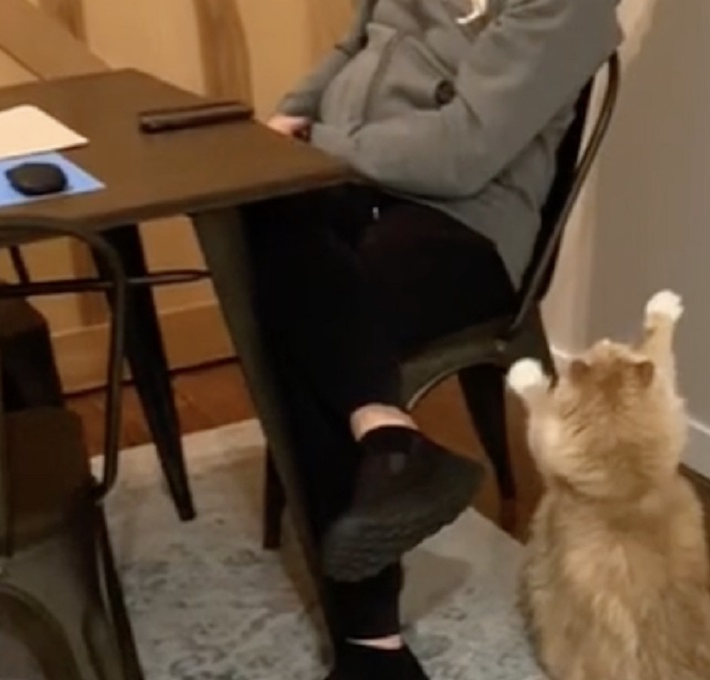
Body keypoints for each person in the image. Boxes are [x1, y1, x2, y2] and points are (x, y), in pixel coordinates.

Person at [246, 0, 621, 678]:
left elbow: (464, 153)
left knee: (322, 311)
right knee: (265, 227)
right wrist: (275, 133)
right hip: (353, 179)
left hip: (465, 223)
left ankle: (372, 647)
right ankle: (388, 438)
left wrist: (318, 145)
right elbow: (353, 47)